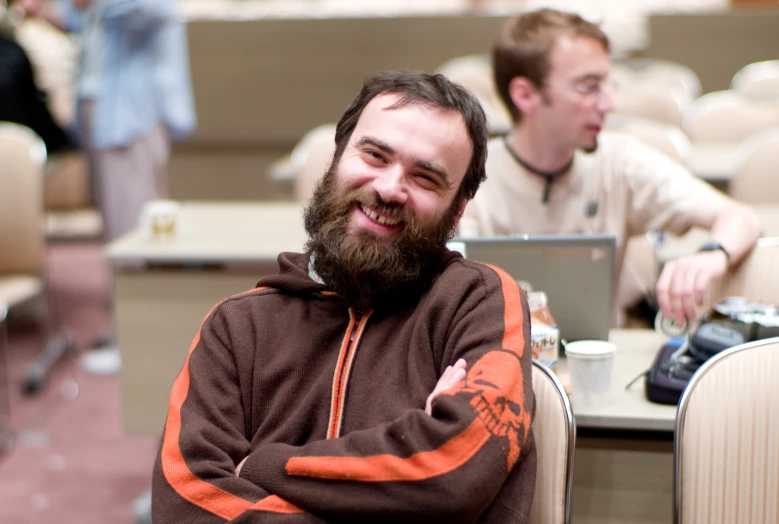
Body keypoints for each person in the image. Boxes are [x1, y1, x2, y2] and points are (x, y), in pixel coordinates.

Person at [151, 71, 536, 523]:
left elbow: (458, 469)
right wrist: (405, 473)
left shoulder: (477, 303)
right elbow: (186, 500)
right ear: (336, 159)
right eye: (374, 155)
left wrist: (264, 467)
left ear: (459, 210)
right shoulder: (237, 327)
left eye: (426, 177)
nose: (390, 188)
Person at [458, 8, 762, 327]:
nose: (609, 104)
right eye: (588, 86)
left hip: (601, 358)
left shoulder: (619, 162)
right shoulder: (469, 175)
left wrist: (713, 254)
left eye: (606, 84)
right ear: (526, 94)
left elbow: (739, 217)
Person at [17, 0, 196, 371]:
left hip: (130, 116)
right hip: (104, 111)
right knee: (117, 230)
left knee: (133, 233)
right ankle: (125, 329)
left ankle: (139, 343)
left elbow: (153, 10)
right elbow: (89, 19)